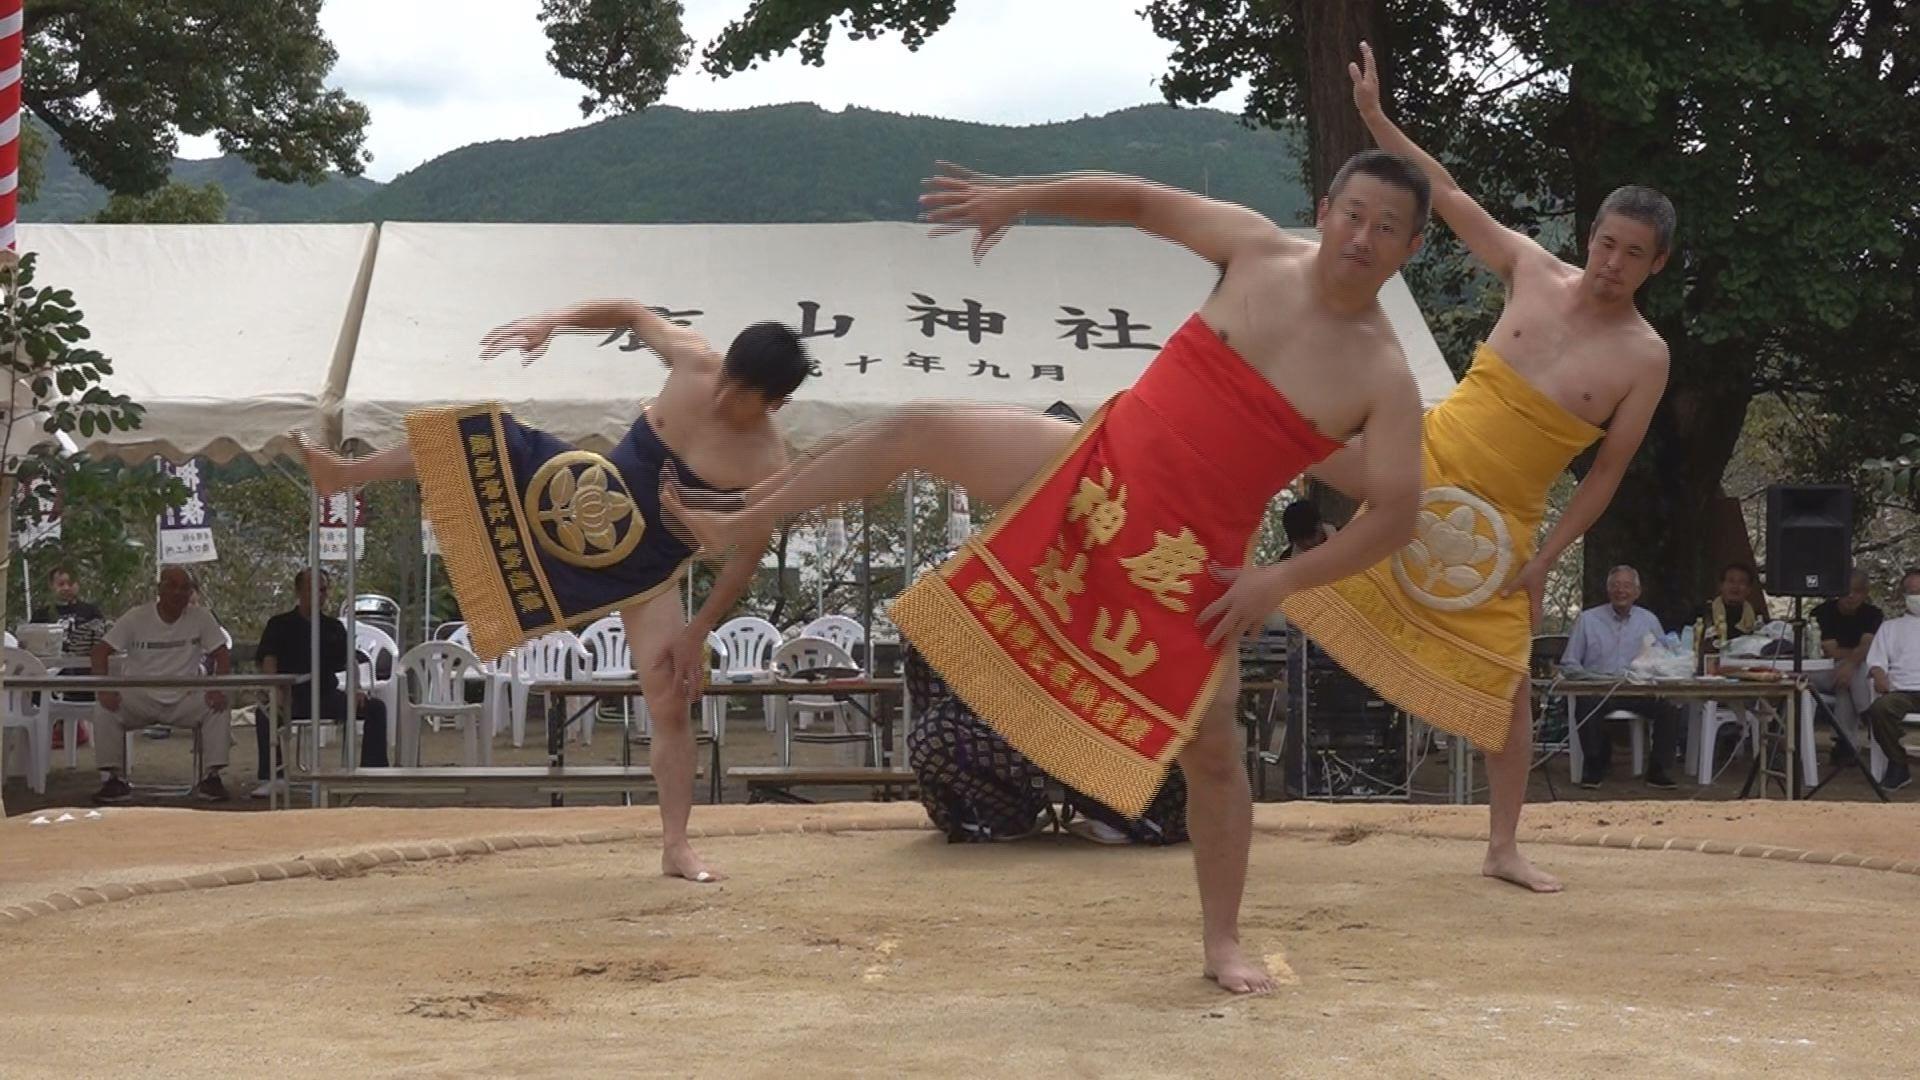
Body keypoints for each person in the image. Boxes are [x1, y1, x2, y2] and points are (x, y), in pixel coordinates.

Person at [670, 152, 1430, 993]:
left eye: (1385, 227)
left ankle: (1222, 943)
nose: (1362, 237)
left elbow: (1397, 513)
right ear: (1325, 209)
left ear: (1412, 246)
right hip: (1094, 469)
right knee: (918, 428)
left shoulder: (1384, 378)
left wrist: (1277, 582)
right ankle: (735, 519)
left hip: (1186, 563)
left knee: (1215, 756)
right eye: (1352, 213)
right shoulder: (1255, 249)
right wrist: (1019, 198)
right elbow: (1137, 201)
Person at [1282, 43, 1673, 893]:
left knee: (1509, 694)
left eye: (1631, 253)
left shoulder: (1646, 359)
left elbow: (1604, 475)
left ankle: (1502, 845)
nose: (1611, 262)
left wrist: (1546, 560)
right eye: (1605, 243)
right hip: (1417, 466)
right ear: (1591, 238)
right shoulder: (1531, 269)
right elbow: (1451, 198)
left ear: (1656, 265)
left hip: (1503, 529)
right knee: (1292, 441)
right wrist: (1380, 122)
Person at [297, 303, 811, 882]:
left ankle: (675, 846)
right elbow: (631, 312)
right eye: (724, 382)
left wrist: (696, 635)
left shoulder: (767, 463)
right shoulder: (695, 362)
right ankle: (344, 473)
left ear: (775, 402)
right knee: (481, 434)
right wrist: (555, 323)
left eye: (740, 395)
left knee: (669, 702)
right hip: (572, 497)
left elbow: (744, 559)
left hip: (649, 574)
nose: (721, 398)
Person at [905, 645, 1189, 845]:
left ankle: (1140, 815)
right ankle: (989, 816)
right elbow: (930, 698)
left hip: (1093, 716)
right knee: (934, 734)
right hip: (999, 743)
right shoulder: (954, 597)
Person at [90, 567, 234, 804]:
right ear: (160, 590)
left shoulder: (201, 617)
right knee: (104, 709)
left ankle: (212, 777)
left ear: (191, 593)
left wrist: (217, 689)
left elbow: (222, 654)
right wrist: (104, 689)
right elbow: (100, 652)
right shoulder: (136, 617)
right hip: (140, 696)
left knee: (218, 707)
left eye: (184, 588)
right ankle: (113, 780)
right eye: (172, 586)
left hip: (185, 696)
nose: (178, 593)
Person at [251, 569, 391, 798]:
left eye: (323, 590)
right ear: (298, 592)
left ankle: (371, 771)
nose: (319, 594)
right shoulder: (279, 624)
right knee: (265, 712)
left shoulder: (333, 627)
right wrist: (275, 689)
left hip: (326, 694)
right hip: (292, 695)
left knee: (375, 708)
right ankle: (272, 777)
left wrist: (356, 689)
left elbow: (350, 661)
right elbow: (268, 658)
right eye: (312, 589)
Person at [1558, 565, 1679, 789]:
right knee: (1585, 704)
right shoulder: (1588, 619)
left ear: (1637, 591)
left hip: (1637, 689)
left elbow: (1665, 659)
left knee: (1669, 706)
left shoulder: (1649, 620)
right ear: (1608, 590)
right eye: (1615, 585)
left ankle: (1658, 770)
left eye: (1626, 586)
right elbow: (1569, 663)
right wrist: (1595, 679)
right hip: (1599, 687)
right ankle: (1594, 768)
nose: (1620, 591)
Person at [31, 564, 109, 747]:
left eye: (70, 582)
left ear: (78, 584)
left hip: (83, 676)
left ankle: (71, 726)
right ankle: (55, 728)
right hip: (48, 675)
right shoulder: (42, 614)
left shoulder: (91, 612)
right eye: (61, 583)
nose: (66, 587)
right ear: (52, 586)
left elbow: (100, 644)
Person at [1808, 570, 1882, 763]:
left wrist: (1848, 663)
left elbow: (1868, 646)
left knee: (1847, 684)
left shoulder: (1872, 614)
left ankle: (1844, 744)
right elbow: (1831, 650)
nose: (1851, 595)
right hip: (1823, 672)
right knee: (1855, 672)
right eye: (1846, 590)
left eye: (1857, 591)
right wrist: (1852, 660)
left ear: (1865, 593)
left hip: (1848, 676)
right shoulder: (1823, 612)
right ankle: (1870, 716)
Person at [1860, 568, 1920, 790]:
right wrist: (1878, 674)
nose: (1916, 597)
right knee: (1879, 709)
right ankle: (1898, 763)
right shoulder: (1890, 628)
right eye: (1911, 592)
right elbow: (1876, 661)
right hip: (1901, 692)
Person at [1694, 562, 1767, 656]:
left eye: (1742, 582)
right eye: (1731, 581)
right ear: (1721, 586)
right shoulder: (1705, 612)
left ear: (1749, 589)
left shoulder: (1757, 616)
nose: (1735, 587)